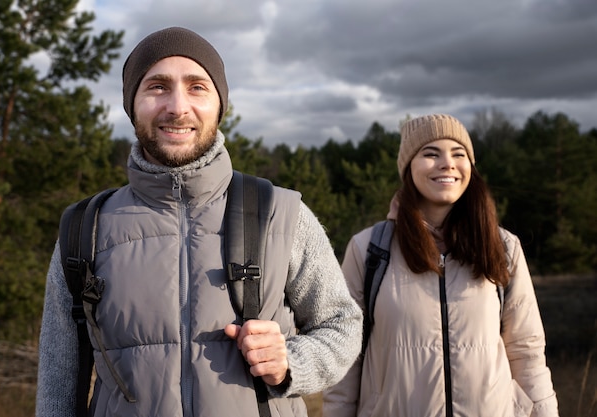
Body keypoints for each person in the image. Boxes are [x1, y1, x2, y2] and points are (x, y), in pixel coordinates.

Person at [35, 26, 362, 417]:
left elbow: (342, 326)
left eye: (196, 87)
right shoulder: (83, 229)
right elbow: (57, 384)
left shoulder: (279, 213)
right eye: (157, 86)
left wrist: (290, 362)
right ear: (132, 104)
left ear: (219, 105)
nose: (177, 107)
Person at [322, 114, 559, 417]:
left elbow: (527, 352)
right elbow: (345, 356)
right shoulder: (368, 249)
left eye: (458, 154)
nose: (447, 163)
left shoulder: (504, 247)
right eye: (430, 154)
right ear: (409, 167)